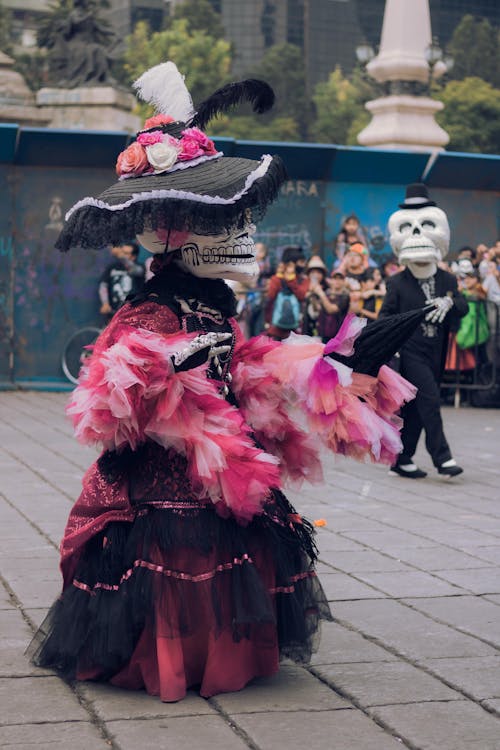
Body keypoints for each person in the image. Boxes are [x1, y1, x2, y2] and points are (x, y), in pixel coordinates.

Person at [29, 61, 418, 703]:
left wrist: (332, 369)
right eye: (223, 224)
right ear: (176, 235)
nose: (243, 237)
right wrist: (165, 363)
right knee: (181, 548)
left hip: (221, 460)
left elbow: (245, 368)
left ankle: (223, 651)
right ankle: (175, 659)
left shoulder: (213, 303)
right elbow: (103, 401)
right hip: (162, 475)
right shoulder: (151, 309)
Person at [380, 183, 468, 480]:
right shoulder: (397, 283)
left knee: (417, 409)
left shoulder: (446, 279)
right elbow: (385, 316)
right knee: (430, 399)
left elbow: (463, 306)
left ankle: (401, 459)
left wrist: (450, 300)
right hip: (410, 350)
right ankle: (443, 458)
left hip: (436, 350)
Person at [265, 246, 309, 340]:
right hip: (275, 330)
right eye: (301, 262)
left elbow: (301, 296)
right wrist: (279, 276)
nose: (304, 265)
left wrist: (291, 279)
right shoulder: (277, 279)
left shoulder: (303, 280)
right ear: (291, 264)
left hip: (295, 330)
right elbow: (271, 295)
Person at [98, 241, 145, 319]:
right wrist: (105, 303)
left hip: (133, 313)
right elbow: (103, 285)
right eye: (122, 252)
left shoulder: (140, 267)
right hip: (114, 313)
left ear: (133, 256)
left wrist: (121, 255)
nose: (122, 255)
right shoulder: (112, 268)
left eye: (126, 253)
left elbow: (137, 271)